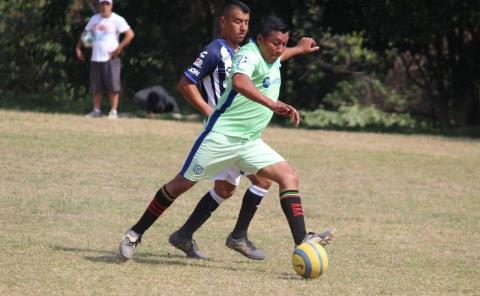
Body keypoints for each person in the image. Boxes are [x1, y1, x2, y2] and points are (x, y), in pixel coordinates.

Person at [119, 14, 335, 262]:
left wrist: (297, 49)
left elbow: (279, 58)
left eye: (284, 43)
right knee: (181, 184)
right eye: (276, 42)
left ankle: (302, 242)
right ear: (261, 38)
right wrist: (271, 103)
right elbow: (241, 82)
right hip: (221, 136)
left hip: (249, 142)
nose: (280, 48)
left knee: (288, 176)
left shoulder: (273, 54)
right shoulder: (248, 54)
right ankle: (135, 233)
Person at [75, 0, 135, 119]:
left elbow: (130, 34)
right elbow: (86, 34)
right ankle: (96, 110)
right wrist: (78, 48)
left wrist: (119, 48)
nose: (104, 7)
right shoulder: (94, 19)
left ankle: (113, 111)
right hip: (96, 57)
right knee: (96, 85)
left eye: (107, 4)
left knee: (113, 85)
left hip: (111, 57)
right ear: (99, 5)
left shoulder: (117, 19)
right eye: (102, 4)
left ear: (111, 6)